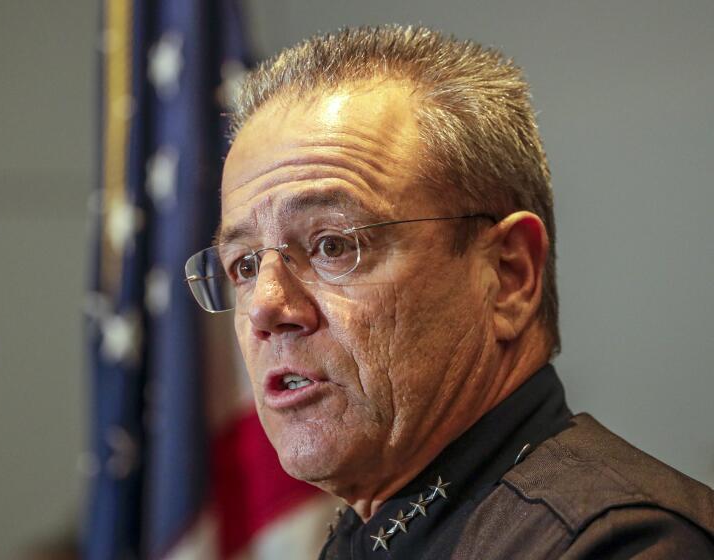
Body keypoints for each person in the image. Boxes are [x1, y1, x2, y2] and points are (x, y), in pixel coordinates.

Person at [184, 25, 714, 558]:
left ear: (508, 276)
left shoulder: (623, 546)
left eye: (332, 246)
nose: (265, 307)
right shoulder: (371, 535)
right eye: (246, 264)